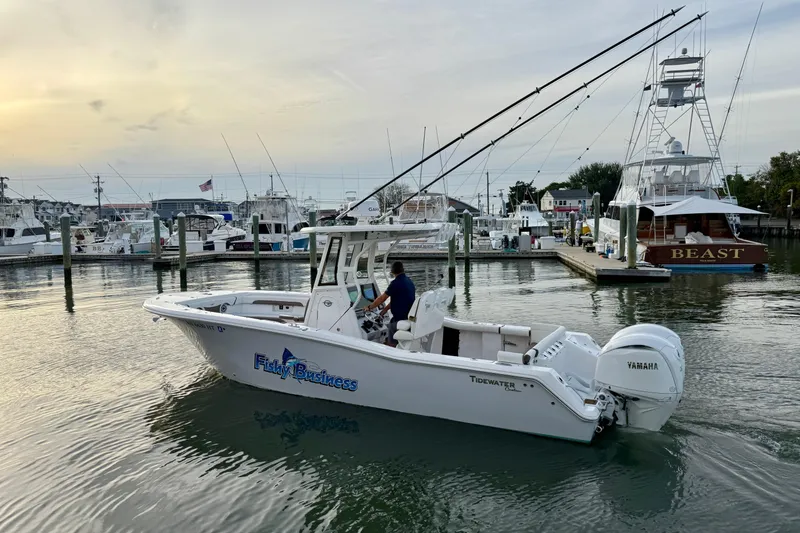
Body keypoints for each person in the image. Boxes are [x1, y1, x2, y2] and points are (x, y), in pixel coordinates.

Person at [364, 261, 415, 346]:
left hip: (400, 319)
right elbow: (399, 299)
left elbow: (382, 298)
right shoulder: (409, 281)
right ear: (403, 270)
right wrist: (385, 310)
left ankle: (391, 347)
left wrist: (369, 307)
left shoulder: (395, 283)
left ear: (392, 271)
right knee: (391, 322)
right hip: (409, 317)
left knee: (391, 326)